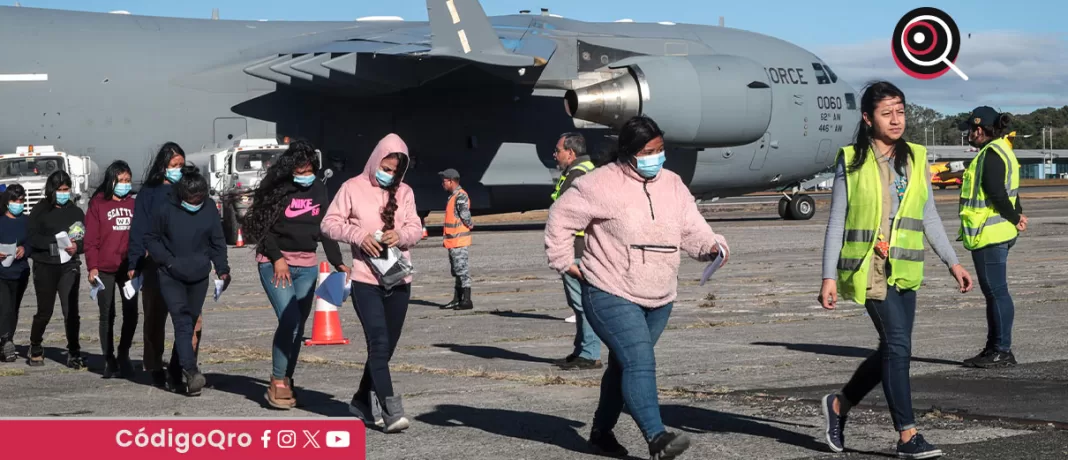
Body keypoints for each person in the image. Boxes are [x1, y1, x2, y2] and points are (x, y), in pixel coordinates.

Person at [545, 116, 729, 459]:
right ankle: (657, 438)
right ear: (628, 152)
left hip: (660, 295)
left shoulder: (673, 184)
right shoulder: (599, 184)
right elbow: (560, 218)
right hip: (609, 289)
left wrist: (712, 247)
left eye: (660, 150)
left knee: (624, 363)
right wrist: (565, 262)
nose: (656, 157)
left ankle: (600, 434)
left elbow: (692, 229)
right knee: (640, 361)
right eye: (648, 151)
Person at [817, 81, 974, 459]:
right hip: (868, 268)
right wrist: (827, 276)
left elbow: (929, 216)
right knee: (899, 346)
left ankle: (839, 404)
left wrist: (953, 262)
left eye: (901, 111)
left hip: (905, 268)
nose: (896, 120)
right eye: (887, 113)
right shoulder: (852, 159)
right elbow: (837, 219)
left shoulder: (916, 157)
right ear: (868, 118)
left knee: (892, 347)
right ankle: (907, 436)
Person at [322, 133, 423, 433]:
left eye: (395, 171)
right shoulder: (351, 187)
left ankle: (360, 402)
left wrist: (400, 236)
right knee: (377, 343)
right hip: (366, 281)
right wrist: (358, 236)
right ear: (375, 160)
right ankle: (391, 409)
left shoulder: (405, 192)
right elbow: (328, 223)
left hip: (399, 279)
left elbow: (417, 228)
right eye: (386, 167)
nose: (389, 174)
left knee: (386, 350)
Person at [240, 140, 349, 409]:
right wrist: (277, 258)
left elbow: (325, 227)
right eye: (299, 171)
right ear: (290, 169)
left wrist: (338, 262)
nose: (304, 176)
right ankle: (277, 380)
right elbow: (260, 227)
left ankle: (286, 378)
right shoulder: (276, 187)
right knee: (289, 319)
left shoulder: (319, 188)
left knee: (298, 326)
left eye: (308, 170)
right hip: (276, 262)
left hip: (307, 265)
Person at [145, 167, 230, 396]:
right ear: (181, 194)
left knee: (190, 324)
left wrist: (222, 269)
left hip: (199, 275)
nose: (195, 202)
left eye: (199, 198)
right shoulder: (164, 208)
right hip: (171, 275)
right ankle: (192, 372)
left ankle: (174, 370)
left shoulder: (209, 207)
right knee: (181, 321)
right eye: (191, 198)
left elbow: (217, 241)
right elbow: (151, 239)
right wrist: (167, 261)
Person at [128, 142, 201, 389]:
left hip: (186, 263)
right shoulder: (149, 193)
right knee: (155, 317)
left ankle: (181, 365)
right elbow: (138, 228)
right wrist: (134, 261)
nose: (178, 170)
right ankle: (155, 365)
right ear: (163, 166)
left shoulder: (188, 189)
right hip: (154, 264)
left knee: (191, 320)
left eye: (181, 165)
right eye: (173, 165)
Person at [957, 107, 1025, 369]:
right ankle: (994, 347)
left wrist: (1013, 216)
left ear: (979, 129)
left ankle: (1002, 350)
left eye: (970, 131)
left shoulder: (991, 155)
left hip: (989, 234)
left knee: (997, 293)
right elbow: (1012, 191)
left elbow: (997, 192)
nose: (968, 136)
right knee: (994, 294)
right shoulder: (1002, 150)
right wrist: (1018, 214)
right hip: (998, 233)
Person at [549, 132, 603, 371]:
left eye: (558, 150)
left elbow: (571, 214)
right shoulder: (583, 171)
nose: (555, 154)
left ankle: (589, 353)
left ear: (570, 153)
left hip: (577, 249)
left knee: (583, 303)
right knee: (579, 302)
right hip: (578, 247)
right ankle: (582, 350)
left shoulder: (578, 175)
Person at [26, 171, 87, 368]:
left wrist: (77, 246)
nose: (63, 193)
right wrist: (55, 242)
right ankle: (35, 344)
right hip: (45, 265)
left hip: (69, 266)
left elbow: (86, 240)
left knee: (71, 311)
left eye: (66, 189)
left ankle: (74, 350)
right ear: (52, 190)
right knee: (45, 311)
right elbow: (32, 238)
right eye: (60, 190)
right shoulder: (40, 210)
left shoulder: (76, 212)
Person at [85, 161, 139, 379]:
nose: (125, 184)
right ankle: (109, 359)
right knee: (107, 314)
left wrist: (137, 264)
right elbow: (91, 240)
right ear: (111, 181)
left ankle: (123, 353)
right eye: (121, 180)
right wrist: (92, 267)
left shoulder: (134, 205)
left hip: (128, 270)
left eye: (128, 180)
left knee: (132, 313)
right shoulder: (98, 204)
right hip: (104, 269)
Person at [0, 184, 30, 363]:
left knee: (14, 309)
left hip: (20, 272)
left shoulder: (27, 221)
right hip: (1, 273)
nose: (18, 204)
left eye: (21, 200)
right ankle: (5, 340)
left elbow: (34, 242)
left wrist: (24, 249)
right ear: (7, 202)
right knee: (4, 307)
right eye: (14, 200)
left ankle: (7, 339)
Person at [439, 168, 474, 310]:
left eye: (444, 181)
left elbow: (465, 214)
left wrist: (470, 224)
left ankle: (466, 300)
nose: (442, 184)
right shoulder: (454, 196)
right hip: (453, 241)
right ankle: (457, 299)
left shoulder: (460, 196)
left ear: (451, 181)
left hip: (459, 241)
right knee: (457, 271)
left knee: (462, 271)